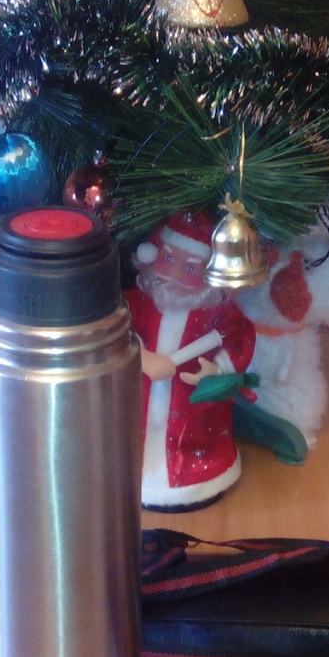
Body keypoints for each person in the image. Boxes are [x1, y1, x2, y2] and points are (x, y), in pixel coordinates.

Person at [125, 211, 256, 511]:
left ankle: (194, 479)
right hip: (139, 399)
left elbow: (239, 336)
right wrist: (141, 355)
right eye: (169, 259)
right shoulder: (136, 302)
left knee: (196, 434)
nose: (176, 274)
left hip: (192, 406)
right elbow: (115, 327)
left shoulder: (218, 312)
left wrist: (218, 369)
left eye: (191, 267)